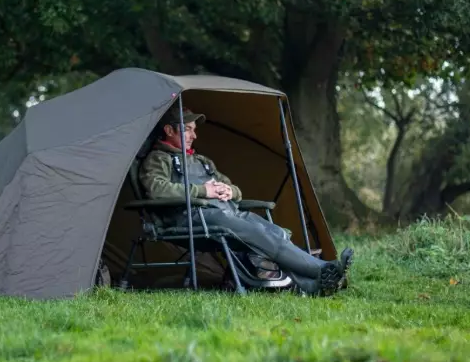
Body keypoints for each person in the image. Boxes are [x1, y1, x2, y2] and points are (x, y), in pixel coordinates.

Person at [138, 105, 353, 296]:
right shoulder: (158, 159)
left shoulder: (202, 161)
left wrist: (229, 192)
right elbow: (157, 190)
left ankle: (313, 285)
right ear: (168, 130)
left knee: (275, 233)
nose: (194, 135)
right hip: (191, 219)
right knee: (259, 235)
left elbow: (235, 188)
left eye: (194, 129)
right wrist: (203, 190)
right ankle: (323, 269)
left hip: (226, 214)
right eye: (187, 129)